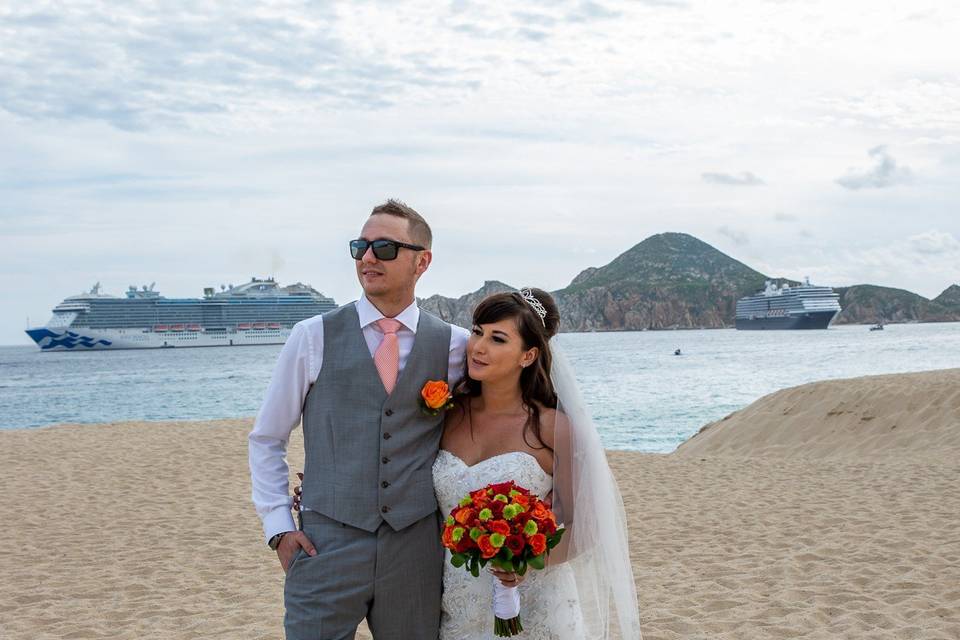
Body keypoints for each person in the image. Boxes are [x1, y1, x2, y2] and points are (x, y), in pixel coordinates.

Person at [293, 288, 643, 639]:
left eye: (498, 339)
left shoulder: (553, 428)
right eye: (477, 331)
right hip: (456, 602)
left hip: (531, 601)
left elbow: (586, 527)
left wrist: (528, 562)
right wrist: (329, 480)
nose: (478, 346)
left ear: (528, 355)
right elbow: (395, 463)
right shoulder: (447, 414)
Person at [248, 199, 469, 640]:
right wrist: (279, 530)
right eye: (360, 246)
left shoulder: (456, 346)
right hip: (325, 545)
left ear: (421, 261)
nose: (367, 258)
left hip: (415, 550)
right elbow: (267, 438)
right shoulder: (312, 336)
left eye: (384, 247)